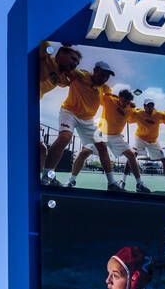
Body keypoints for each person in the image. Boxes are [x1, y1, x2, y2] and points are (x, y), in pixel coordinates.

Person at [44, 60, 122, 192]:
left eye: (107, 76)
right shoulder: (80, 75)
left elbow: (110, 98)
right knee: (65, 137)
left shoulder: (104, 88)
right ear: (95, 70)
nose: (105, 78)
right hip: (69, 112)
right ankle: (46, 178)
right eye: (102, 74)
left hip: (88, 120)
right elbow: (65, 69)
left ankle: (112, 183)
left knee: (102, 146)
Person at [39, 42, 80, 182]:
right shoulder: (46, 58)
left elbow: (70, 79)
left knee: (42, 149)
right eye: (73, 59)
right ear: (61, 54)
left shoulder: (62, 77)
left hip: (31, 108)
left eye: (77, 62)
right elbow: (40, 39)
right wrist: (64, 42)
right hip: (18, 102)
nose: (75, 63)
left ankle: (46, 178)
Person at [98, 88, 149, 193]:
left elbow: (135, 114)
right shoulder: (109, 99)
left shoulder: (130, 108)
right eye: (124, 100)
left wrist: (135, 107)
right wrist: (112, 95)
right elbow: (100, 94)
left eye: (128, 101)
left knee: (131, 155)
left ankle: (139, 183)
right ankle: (71, 180)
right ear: (120, 97)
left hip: (116, 136)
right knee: (85, 152)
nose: (125, 103)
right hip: (101, 133)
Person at [129, 100, 165, 193]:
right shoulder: (139, 113)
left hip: (153, 141)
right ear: (144, 106)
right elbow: (129, 116)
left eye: (152, 105)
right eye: (148, 106)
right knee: (132, 156)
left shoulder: (158, 114)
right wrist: (132, 107)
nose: (150, 107)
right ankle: (124, 181)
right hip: (140, 138)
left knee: (163, 159)